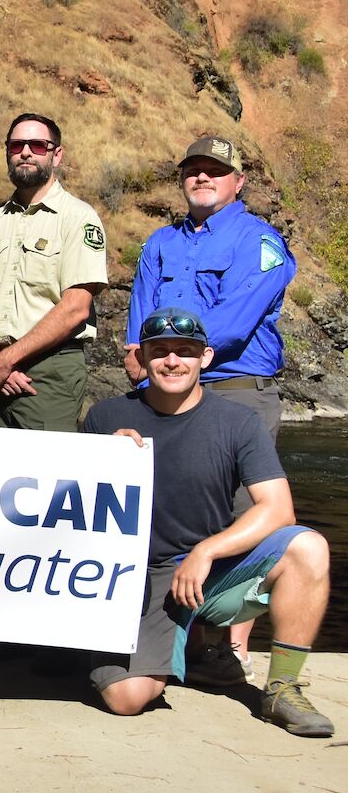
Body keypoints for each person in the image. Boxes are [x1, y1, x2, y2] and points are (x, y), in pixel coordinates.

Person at [83, 306, 333, 739]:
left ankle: (282, 688)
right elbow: (66, 506)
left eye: (185, 351)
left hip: (209, 573)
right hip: (136, 578)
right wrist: (103, 458)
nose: (172, 361)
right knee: (126, 699)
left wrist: (207, 550)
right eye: (159, 351)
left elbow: (277, 509)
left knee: (307, 546)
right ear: (141, 359)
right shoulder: (105, 417)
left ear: (206, 358)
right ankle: (178, 650)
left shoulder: (238, 421)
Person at [125, 135, 296, 672]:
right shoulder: (160, 242)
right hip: (164, 387)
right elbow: (139, 309)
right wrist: (139, 355)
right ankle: (179, 638)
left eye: (215, 171)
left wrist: (168, 351)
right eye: (193, 170)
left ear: (238, 182)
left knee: (242, 513)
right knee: (166, 509)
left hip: (235, 389)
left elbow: (235, 320)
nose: (202, 178)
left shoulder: (261, 242)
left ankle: (229, 648)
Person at [0, 113, 107, 432]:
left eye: (37, 145)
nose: (25, 152)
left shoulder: (78, 218)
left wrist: (7, 359)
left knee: (45, 474)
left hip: (49, 371)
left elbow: (76, 307)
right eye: (17, 145)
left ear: (57, 155)